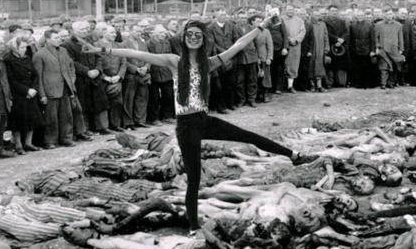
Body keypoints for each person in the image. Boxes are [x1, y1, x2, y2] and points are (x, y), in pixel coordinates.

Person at [84, 16, 317, 231]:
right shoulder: (174, 61)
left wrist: (262, 25)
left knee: (251, 136)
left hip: (204, 120)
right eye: (189, 35)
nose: (193, 38)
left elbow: (238, 45)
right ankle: (194, 228)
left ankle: (294, 155)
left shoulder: (210, 62)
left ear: (203, 39)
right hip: (186, 126)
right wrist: (103, 49)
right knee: (194, 180)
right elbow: (136, 55)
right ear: (184, 39)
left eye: (198, 35)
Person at [5, 35, 44, 155]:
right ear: (14, 48)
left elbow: (35, 75)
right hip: (18, 94)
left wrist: (33, 89)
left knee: (31, 118)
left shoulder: (27, 58)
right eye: (21, 47)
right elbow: (11, 80)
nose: (24, 50)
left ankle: (28, 142)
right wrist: (26, 90)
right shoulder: (9, 60)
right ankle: (18, 144)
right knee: (18, 121)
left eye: (25, 47)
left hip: (31, 92)